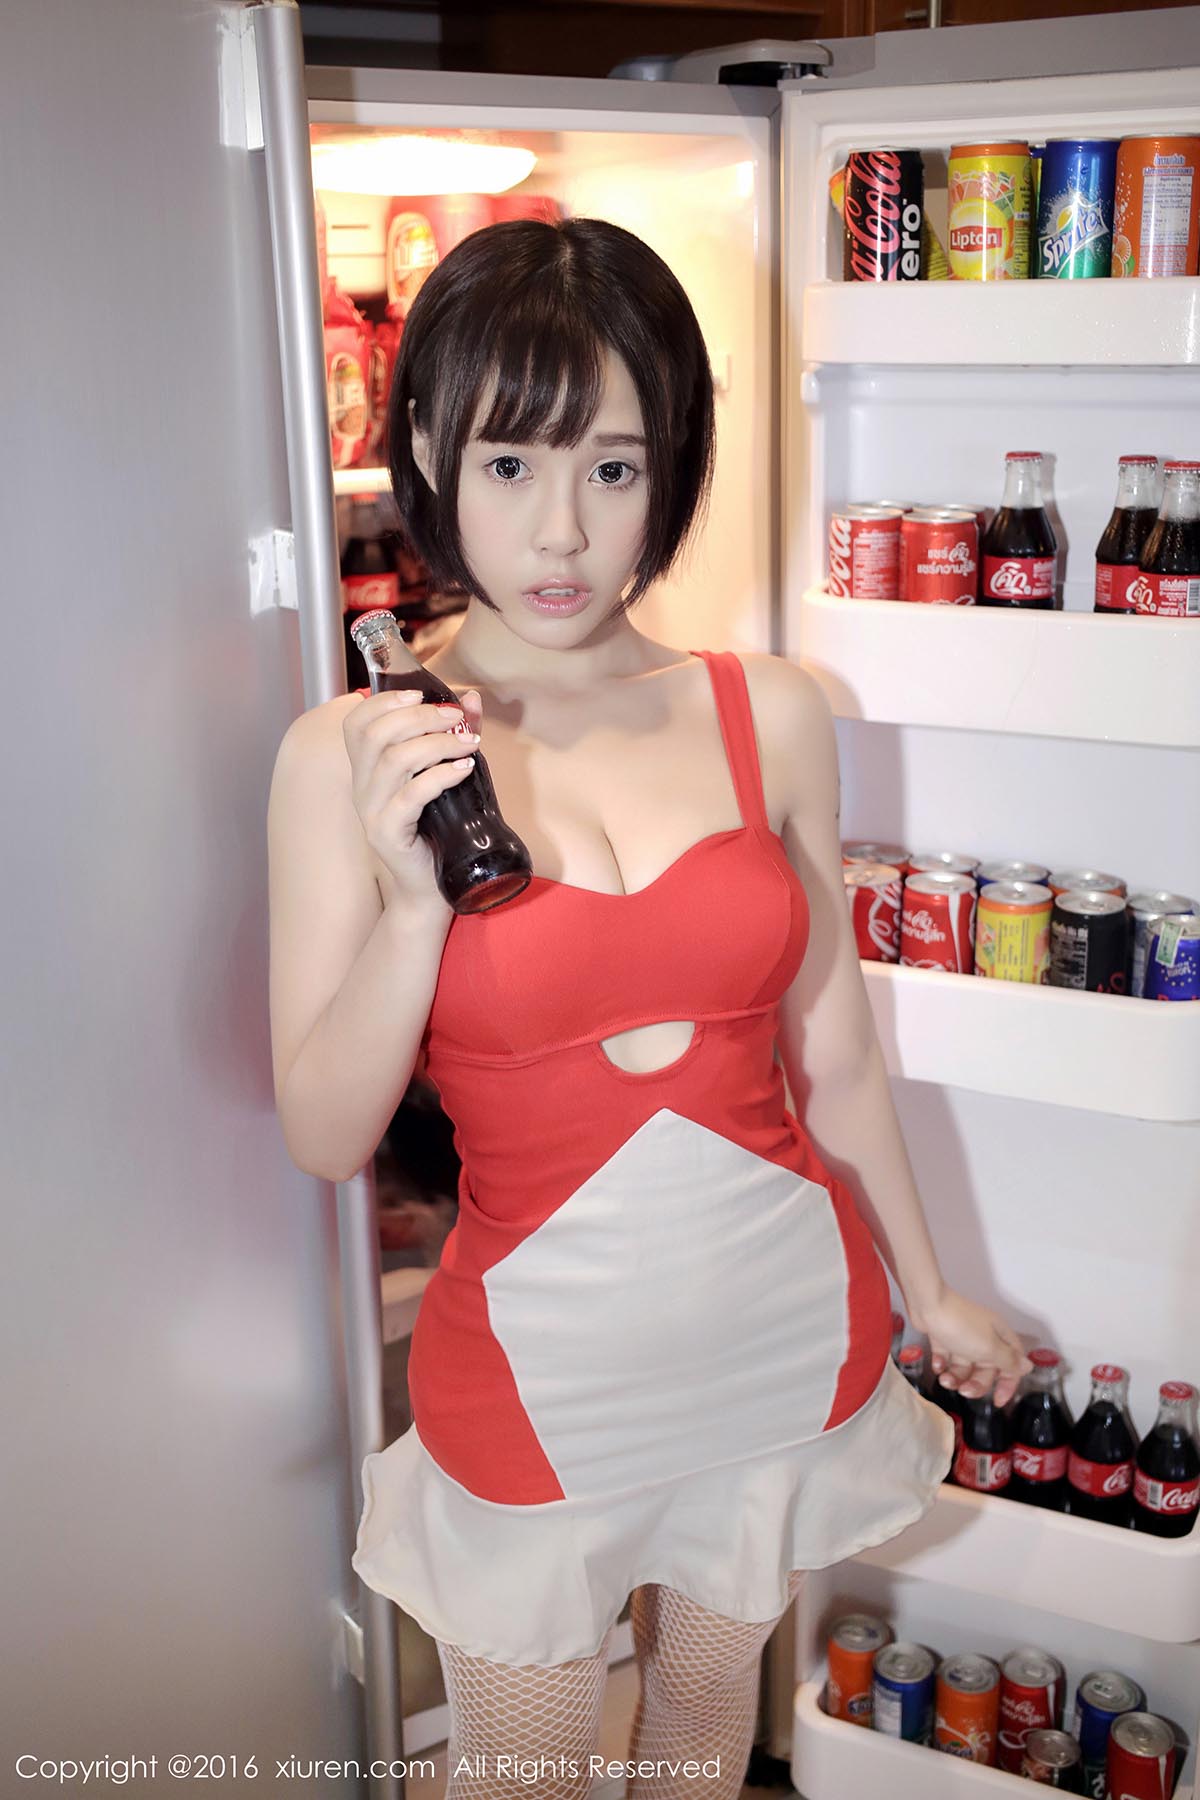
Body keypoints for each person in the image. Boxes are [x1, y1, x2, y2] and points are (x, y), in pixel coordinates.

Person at [267, 217, 1031, 1800]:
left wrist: (933, 1288)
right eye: (510, 465)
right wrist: (413, 907)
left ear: (669, 467)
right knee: (522, 1777)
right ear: (429, 454)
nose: (563, 532)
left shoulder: (771, 710)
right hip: (534, 1369)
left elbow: (836, 1052)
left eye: (613, 469)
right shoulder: (353, 749)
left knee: (698, 1738)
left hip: (779, 1335)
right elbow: (324, 1134)